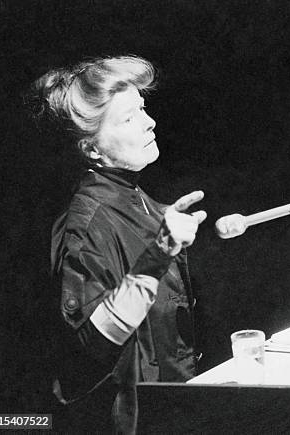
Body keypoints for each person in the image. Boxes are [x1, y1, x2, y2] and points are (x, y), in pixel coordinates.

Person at [31, 55, 206, 433]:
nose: (150, 122)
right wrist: (158, 256)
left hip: (175, 408)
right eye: (128, 118)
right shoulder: (86, 225)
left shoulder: (140, 201)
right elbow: (90, 341)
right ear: (92, 151)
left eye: (142, 108)